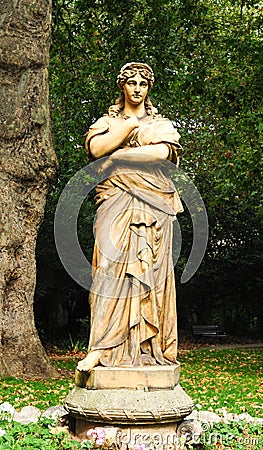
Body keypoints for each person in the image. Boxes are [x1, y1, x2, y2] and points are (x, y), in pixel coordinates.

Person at [77, 62, 183, 372]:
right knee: (108, 271)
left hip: (154, 207)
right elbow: (97, 149)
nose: (137, 88)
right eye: (131, 82)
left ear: (149, 88)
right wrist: (123, 130)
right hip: (115, 202)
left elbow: (163, 153)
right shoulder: (108, 122)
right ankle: (101, 348)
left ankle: (149, 350)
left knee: (151, 275)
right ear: (122, 86)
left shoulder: (161, 124)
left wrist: (120, 155)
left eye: (143, 83)